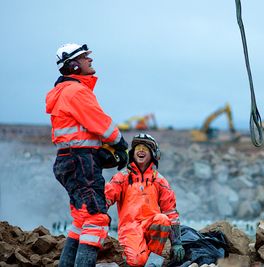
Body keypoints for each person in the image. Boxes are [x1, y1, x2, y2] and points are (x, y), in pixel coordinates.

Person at [45, 43, 129, 266]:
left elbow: (80, 132)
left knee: (81, 218)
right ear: (73, 65)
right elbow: (101, 124)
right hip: (81, 161)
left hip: (68, 160)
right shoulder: (77, 92)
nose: (90, 60)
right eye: (84, 58)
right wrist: (121, 145)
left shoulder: (61, 92)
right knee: (96, 219)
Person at [105, 133, 185, 266]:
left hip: (151, 227)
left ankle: (153, 262)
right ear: (132, 152)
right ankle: (145, 258)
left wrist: (177, 243)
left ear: (153, 154)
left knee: (163, 220)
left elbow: (171, 213)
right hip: (130, 229)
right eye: (138, 148)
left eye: (145, 148)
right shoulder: (122, 178)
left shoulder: (159, 180)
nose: (141, 150)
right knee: (137, 262)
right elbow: (106, 199)